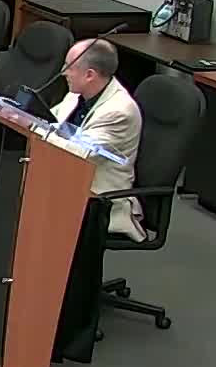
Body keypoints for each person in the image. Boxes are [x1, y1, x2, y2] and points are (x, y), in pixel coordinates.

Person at [53, 38, 146, 240]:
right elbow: (51, 123)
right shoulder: (77, 94)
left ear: (89, 75)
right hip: (67, 180)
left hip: (98, 198)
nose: (63, 72)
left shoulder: (119, 111)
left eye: (69, 67)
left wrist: (32, 127)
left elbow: (79, 153)